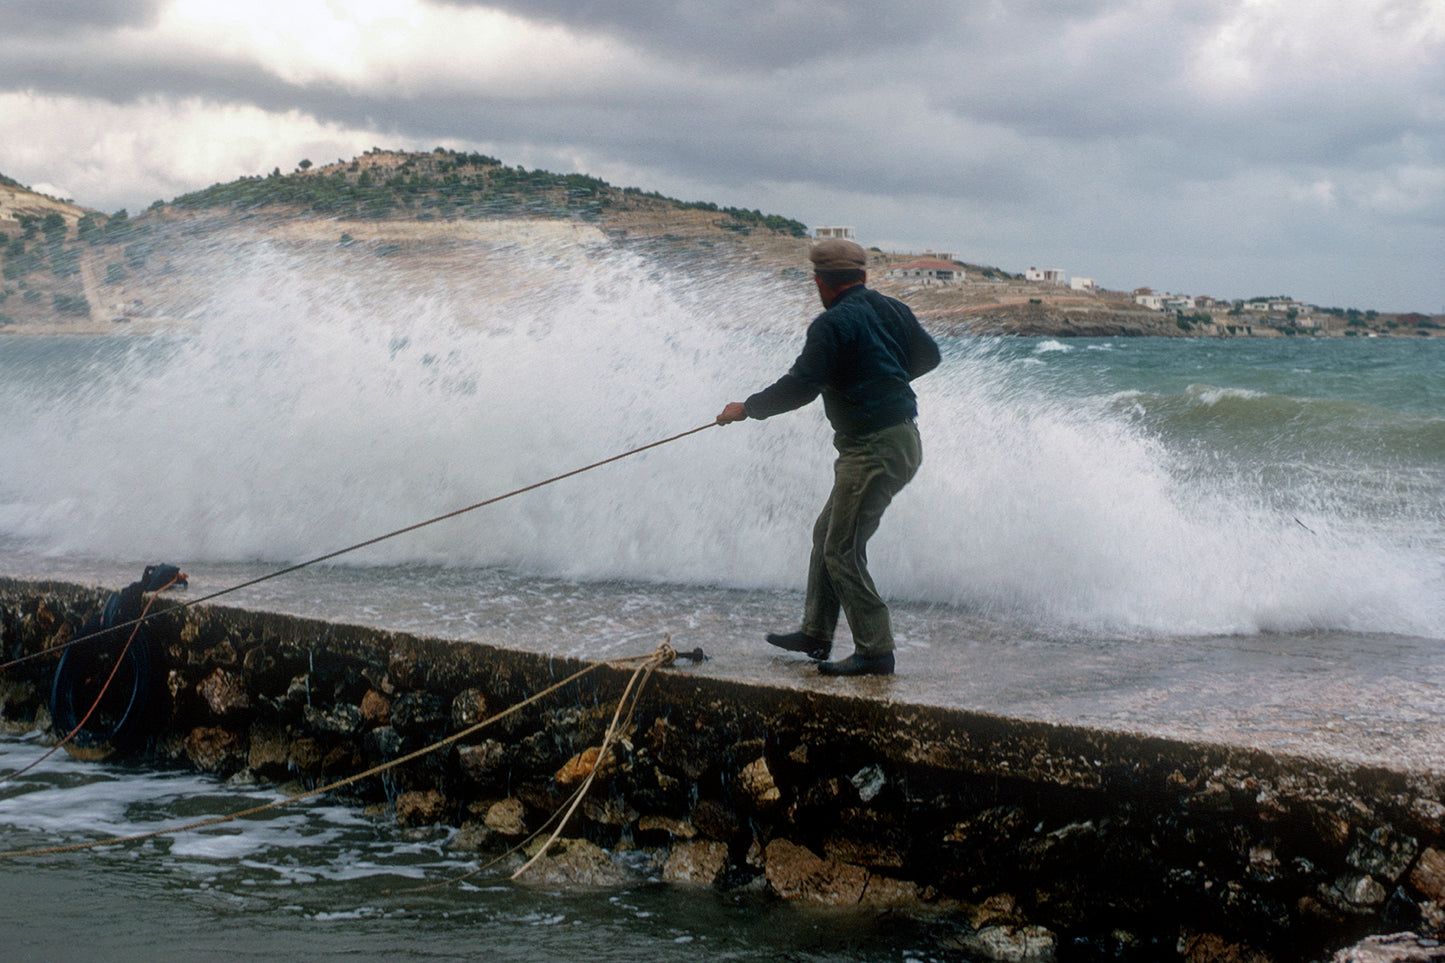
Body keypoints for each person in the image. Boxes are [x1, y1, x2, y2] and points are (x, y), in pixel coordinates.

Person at [717, 238, 941, 676]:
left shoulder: (831, 324)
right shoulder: (892, 309)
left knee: (841, 549)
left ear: (820, 282)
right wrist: (884, 374)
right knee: (828, 534)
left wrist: (746, 408)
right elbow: (929, 356)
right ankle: (816, 634)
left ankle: (876, 651)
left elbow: (802, 385)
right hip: (899, 439)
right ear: (862, 277)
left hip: (873, 447)